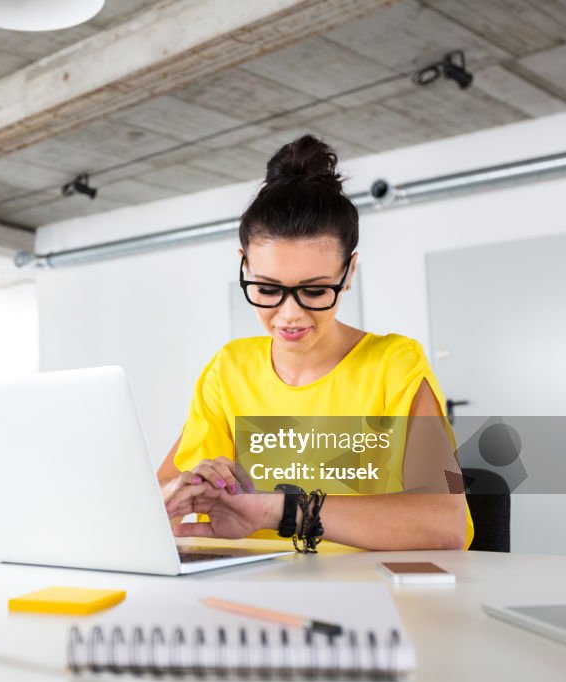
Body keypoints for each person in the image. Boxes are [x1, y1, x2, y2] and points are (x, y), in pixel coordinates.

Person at [156, 134, 473, 552]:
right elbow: (160, 493)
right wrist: (183, 490)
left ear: (349, 272)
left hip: (361, 596)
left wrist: (282, 511)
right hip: (249, 590)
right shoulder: (229, 369)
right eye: (267, 289)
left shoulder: (393, 365)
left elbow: (445, 523)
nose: (290, 314)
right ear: (244, 265)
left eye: (315, 290)